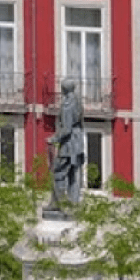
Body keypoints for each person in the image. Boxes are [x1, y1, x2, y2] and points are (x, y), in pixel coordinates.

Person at [50, 79, 86, 207]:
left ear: (63, 89)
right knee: (73, 174)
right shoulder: (78, 102)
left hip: (68, 145)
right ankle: (74, 202)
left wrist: (54, 139)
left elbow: (66, 129)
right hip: (77, 143)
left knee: (59, 172)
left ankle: (57, 203)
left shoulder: (67, 104)